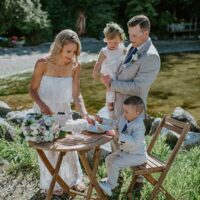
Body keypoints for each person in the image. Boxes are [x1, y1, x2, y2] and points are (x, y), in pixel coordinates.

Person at [101, 15, 160, 189]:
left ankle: (139, 182)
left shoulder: (151, 56)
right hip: (118, 104)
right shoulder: (132, 46)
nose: (130, 38)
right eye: (129, 33)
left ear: (146, 32)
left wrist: (112, 84)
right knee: (115, 138)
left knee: (133, 143)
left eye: (134, 35)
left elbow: (138, 87)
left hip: (133, 109)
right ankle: (116, 178)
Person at [29, 29, 91, 195]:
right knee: (50, 149)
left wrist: (85, 114)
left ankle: (74, 179)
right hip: (44, 112)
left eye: (75, 51)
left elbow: (76, 95)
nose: (71, 55)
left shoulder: (75, 66)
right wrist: (42, 106)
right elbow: (33, 89)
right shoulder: (42, 63)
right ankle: (54, 183)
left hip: (64, 112)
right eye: (68, 51)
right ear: (58, 47)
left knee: (69, 147)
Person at [95, 96, 146, 196]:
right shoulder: (124, 117)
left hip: (137, 155)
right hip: (125, 152)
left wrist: (118, 135)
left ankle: (111, 186)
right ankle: (111, 179)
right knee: (109, 159)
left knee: (115, 163)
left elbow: (135, 141)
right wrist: (102, 120)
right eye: (124, 110)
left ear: (137, 113)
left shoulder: (139, 125)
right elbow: (114, 123)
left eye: (127, 111)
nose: (124, 113)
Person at [92, 22, 126, 115]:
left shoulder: (122, 48)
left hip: (117, 71)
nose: (112, 44)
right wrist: (95, 72)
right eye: (109, 42)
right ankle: (109, 102)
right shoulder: (104, 51)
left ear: (120, 40)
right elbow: (98, 63)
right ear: (106, 40)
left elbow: (125, 57)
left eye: (115, 42)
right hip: (108, 72)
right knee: (109, 86)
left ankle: (117, 102)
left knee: (117, 88)